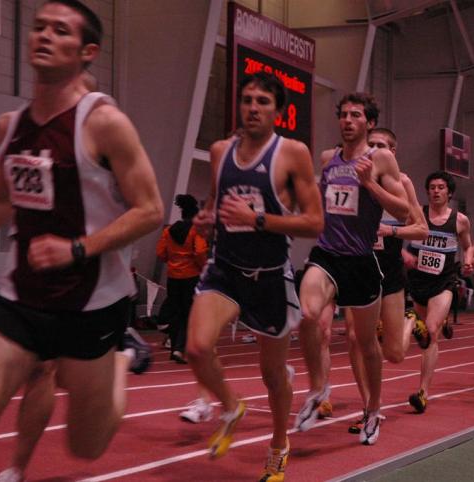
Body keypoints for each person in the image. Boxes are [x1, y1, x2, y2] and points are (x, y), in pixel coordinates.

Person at [0, 1, 164, 480]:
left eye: (59, 31)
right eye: (38, 27)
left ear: (87, 52)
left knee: (86, 446)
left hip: (91, 305)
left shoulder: (104, 124)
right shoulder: (11, 127)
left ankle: (122, 359)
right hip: (21, 297)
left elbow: (150, 210)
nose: (42, 35)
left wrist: (77, 248)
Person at [184, 72, 323, 481]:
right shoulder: (219, 151)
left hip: (269, 278)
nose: (253, 108)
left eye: (263, 101)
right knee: (195, 347)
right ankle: (230, 405)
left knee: (272, 374)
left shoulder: (293, 153)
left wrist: (257, 218)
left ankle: (279, 444)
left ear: (279, 112)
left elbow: (314, 223)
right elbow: (215, 201)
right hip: (225, 270)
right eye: (247, 100)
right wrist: (207, 220)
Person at [296, 92, 408, 446]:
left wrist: (369, 184)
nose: (347, 120)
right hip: (328, 253)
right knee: (307, 314)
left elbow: (403, 212)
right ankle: (318, 388)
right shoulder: (329, 158)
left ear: (369, 122)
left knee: (366, 346)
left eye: (355, 115)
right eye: (343, 114)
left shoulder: (381, 159)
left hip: (361, 262)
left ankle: (373, 409)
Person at [345, 127, 428, 434]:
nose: (376, 150)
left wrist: (391, 231)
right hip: (358, 268)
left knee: (394, 353)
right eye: (372, 144)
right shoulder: (350, 177)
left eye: (383, 146)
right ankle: (368, 407)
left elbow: (421, 230)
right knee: (355, 338)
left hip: (390, 274)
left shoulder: (402, 183)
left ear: (393, 153)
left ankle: (409, 321)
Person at [403, 170, 472, 413]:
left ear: (449, 192)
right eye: (432, 187)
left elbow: (467, 246)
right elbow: (396, 239)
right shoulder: (416, 214)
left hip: (444, 281)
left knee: (431, 330)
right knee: (427, 335)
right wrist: (404, 254)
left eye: (441, 187)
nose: (436, 191)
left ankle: (423, 392)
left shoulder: (460, 220)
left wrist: (469, 260)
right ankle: (428, 322)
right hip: (418, 280)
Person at [156, 194, 208, 363]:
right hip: (191, 277)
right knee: (189, 313)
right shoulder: (196, 231)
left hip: (172, 276)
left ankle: (173, 347)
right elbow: (200, 252)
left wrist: (173, 260)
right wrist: (204, 267)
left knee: (176, 311)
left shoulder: (168, 231)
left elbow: (160, 254)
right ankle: (179, 348)